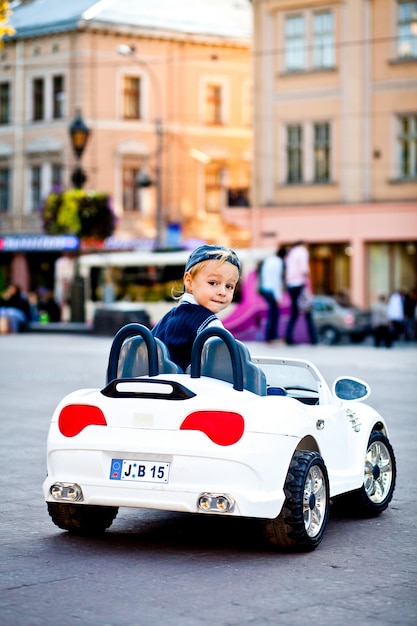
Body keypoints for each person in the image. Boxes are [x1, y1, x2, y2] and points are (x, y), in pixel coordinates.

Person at [152, 244, 241, 371]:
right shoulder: (210, 325)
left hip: (159, 386)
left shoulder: (167, 319)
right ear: (189, 281)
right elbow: (227, 366)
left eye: (229, 286)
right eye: (213, 283)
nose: (222, 292)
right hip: (189, 389)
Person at [284, 241, 317, 345]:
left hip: (291, 285)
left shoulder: (291, 253)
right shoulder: (303, 252)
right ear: (304, 245)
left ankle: (288, 337)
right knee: (308, 311)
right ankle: (314, 339)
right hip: (300, 284)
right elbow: (304, 269)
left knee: (293, 313)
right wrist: (308, 283)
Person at [258, 246, 286, 343]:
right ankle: (271, 337)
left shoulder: (269, 260)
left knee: (272, 314)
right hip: (272, 290)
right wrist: (278, 297)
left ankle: (271, 337)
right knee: (274, 315)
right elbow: (276, 281)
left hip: (265, 289)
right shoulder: (279, 263)